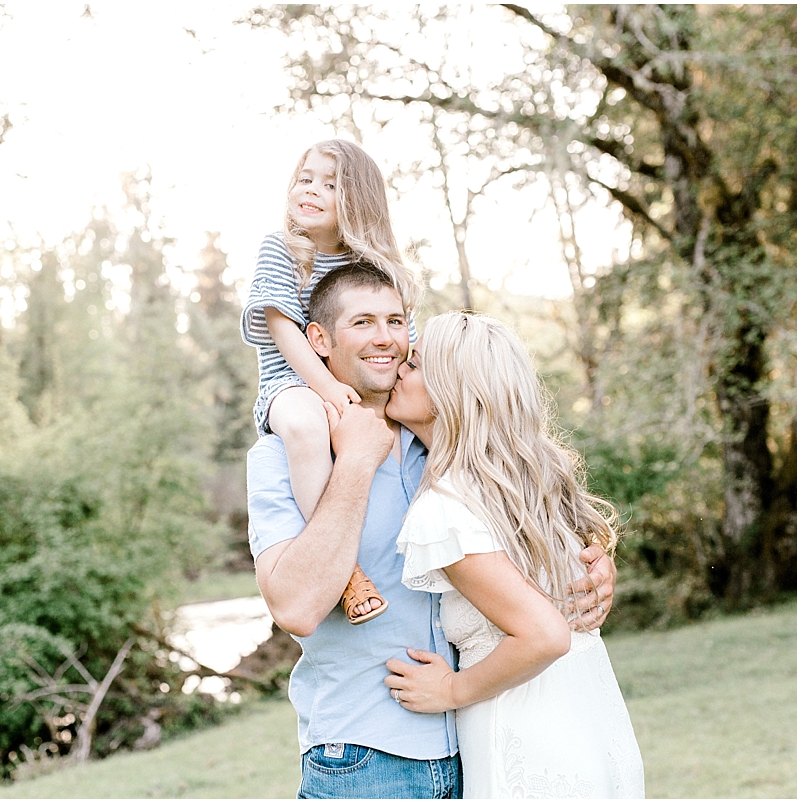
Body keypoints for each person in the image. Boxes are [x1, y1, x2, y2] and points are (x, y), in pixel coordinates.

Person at [246, 265, 620, 799]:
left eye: (396, 321)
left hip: (485, 742)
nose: (385, 338)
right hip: (368, 758)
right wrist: (355, 463)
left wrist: (594, 561)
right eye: (363, 322)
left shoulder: (448, 446)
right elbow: (297, 609)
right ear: (319, 340)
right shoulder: (280, 457)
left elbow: (541, 529)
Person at [383, 311, 645, 798]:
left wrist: (452, 691)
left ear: (452, 393)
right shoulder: (532, 486)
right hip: (594, 730)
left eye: (415, 364)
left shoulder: (446, 507)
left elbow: (545, 635)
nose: (397, 366)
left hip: (525, 736)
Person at [241, 140, 421, 624]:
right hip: (291, 381)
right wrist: (325, 389)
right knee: (304, 425)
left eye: (329, 183)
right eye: (305, 178)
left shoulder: (375, 267)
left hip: (342, 386)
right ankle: (346, 570)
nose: (311, 190)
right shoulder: (283, 248)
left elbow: (405, 340)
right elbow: (280, 326)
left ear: (358, 201)